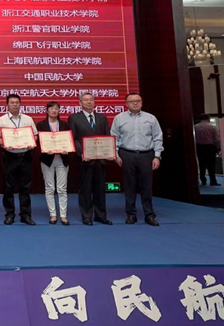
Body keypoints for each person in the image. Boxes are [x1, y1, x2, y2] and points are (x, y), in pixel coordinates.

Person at [111, 93, 164, 226]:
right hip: (126, 154)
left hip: (146, 155)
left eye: (138, 101)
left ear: (142, 102)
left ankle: (149, 215)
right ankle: (131, 214)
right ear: (126, 104)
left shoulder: (151, 118)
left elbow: (158, 137)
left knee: (147, 186)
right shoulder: (119, 118)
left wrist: (157, 156)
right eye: (132, 101)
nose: (135, 103)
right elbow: (114, 137)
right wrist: (116, 155)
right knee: (129, 186)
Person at [68, 93, 113, 226]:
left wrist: (109, 152)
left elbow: (107, 137)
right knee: (85, 189)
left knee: (100, 189)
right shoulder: (74, 118)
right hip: (84, 160)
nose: (89, 102)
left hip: (101, 159)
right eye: (86, 100)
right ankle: (86, 216)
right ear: (80, 103)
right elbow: (73, 138)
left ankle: (101, 216)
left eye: (91, 99)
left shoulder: (102, 118)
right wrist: (82, 153)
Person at [0, 94, 38, 225]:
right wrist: (4, 143)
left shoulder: (28, 119)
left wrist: (32, 142)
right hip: (10, 156)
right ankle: (9, 214)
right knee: (8, 187)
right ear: (7, 104)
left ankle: (25, 215)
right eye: (12, 102)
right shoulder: (1, 120)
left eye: (17, 102)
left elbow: (35, 135)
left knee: (25, 187)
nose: (15, 105)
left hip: (25, 156)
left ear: (20, 104)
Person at [36, 101, 70, 225]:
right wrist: (45, 149)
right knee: (49, 188)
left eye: (56, 108)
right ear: (47, 111)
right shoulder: (41, 125)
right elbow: (39, 142)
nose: (54, 111)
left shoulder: (65, 124)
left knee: (62, 188)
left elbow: (69, 140)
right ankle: (53, 215)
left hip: (62, 159)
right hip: (47, 160)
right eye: (51, 108)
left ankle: (63, 215)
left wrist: (67, 148)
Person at [195, 114, 220, 186]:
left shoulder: (195, 127)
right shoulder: (212, 127)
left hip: (199, 147)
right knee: (211, 165)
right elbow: (216, 139)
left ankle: (203, 180)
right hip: (210, 147)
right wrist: (217, 148)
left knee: (201, 164)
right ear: (208, 119)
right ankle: (213, 181)